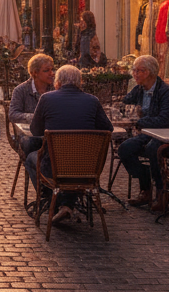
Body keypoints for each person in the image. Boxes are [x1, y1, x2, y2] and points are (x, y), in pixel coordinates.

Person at [25, 64, 113, 225]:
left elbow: (35, 130)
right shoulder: (93, 101)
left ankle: (53, 200)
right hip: (88, 168)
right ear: (80, 82)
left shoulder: (46, 99)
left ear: (57, 82)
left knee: (31, 158)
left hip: (55, 168)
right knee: (73, 163)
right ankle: (66, 205)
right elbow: (108, 129)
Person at [118, 54, 169, 210]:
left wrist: (138, 121)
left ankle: (163, 193)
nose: (135, 74)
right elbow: (124, 104)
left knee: (153, 149)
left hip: (168, 134)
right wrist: (127, 109)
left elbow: (164, 120)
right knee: (125, 149)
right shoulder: (140, 89)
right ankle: (146, 182)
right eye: (134, 70)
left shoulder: (166, 91)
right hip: (147, 133)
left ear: (149, 72)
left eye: (138, 71)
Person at [9, 53, 55, 152]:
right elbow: (13, 114)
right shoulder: (21, 90)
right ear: (35, 73)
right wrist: (34, 117)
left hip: (52, 132)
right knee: (31, 144)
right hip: (29, 134)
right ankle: (34, 165)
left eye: (52, 69)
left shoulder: (55, 88)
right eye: (46, 70)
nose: (52, 73)